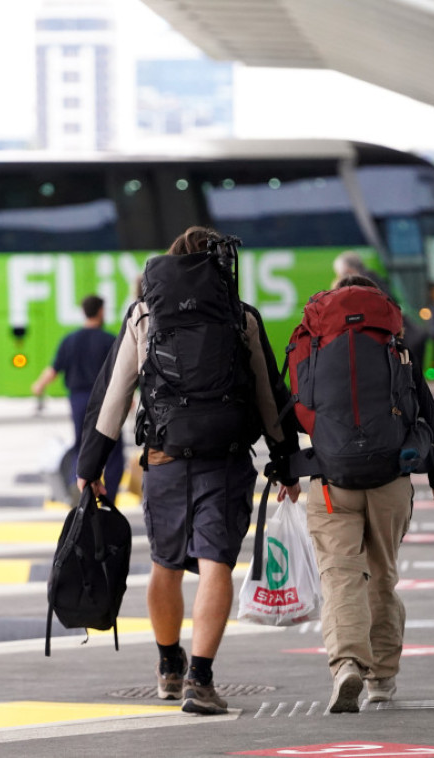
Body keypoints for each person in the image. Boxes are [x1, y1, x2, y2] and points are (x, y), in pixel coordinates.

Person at [75, 226, 301, 716]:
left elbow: (114, 395)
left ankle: (168, 668)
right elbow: (268, 395)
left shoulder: (143, 314)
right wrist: (286, 461)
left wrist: (90, 466)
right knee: (216, 564)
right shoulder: (241, 316)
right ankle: (201, 677)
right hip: (225, 458)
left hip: (165, 458)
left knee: (166, 564)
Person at [306, 273, 434, 713]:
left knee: (341, 575)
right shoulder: (395, 346)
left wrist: (286, 468)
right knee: (383, 575)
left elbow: (293, 407)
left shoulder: (316, 345)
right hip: (390, 478)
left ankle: (347, 663)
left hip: (332, 480)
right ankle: (383, 678)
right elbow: (428, 416)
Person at [32, 294, 124, 504]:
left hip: (79, 400)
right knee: (113, 448)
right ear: (100, 311)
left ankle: (78, 485)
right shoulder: (109, 340)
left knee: (81, 445)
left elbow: (54, 369)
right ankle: (109, 497)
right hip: (105, 401)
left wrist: (39, 385)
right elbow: (120, 373)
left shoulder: (70, 340)